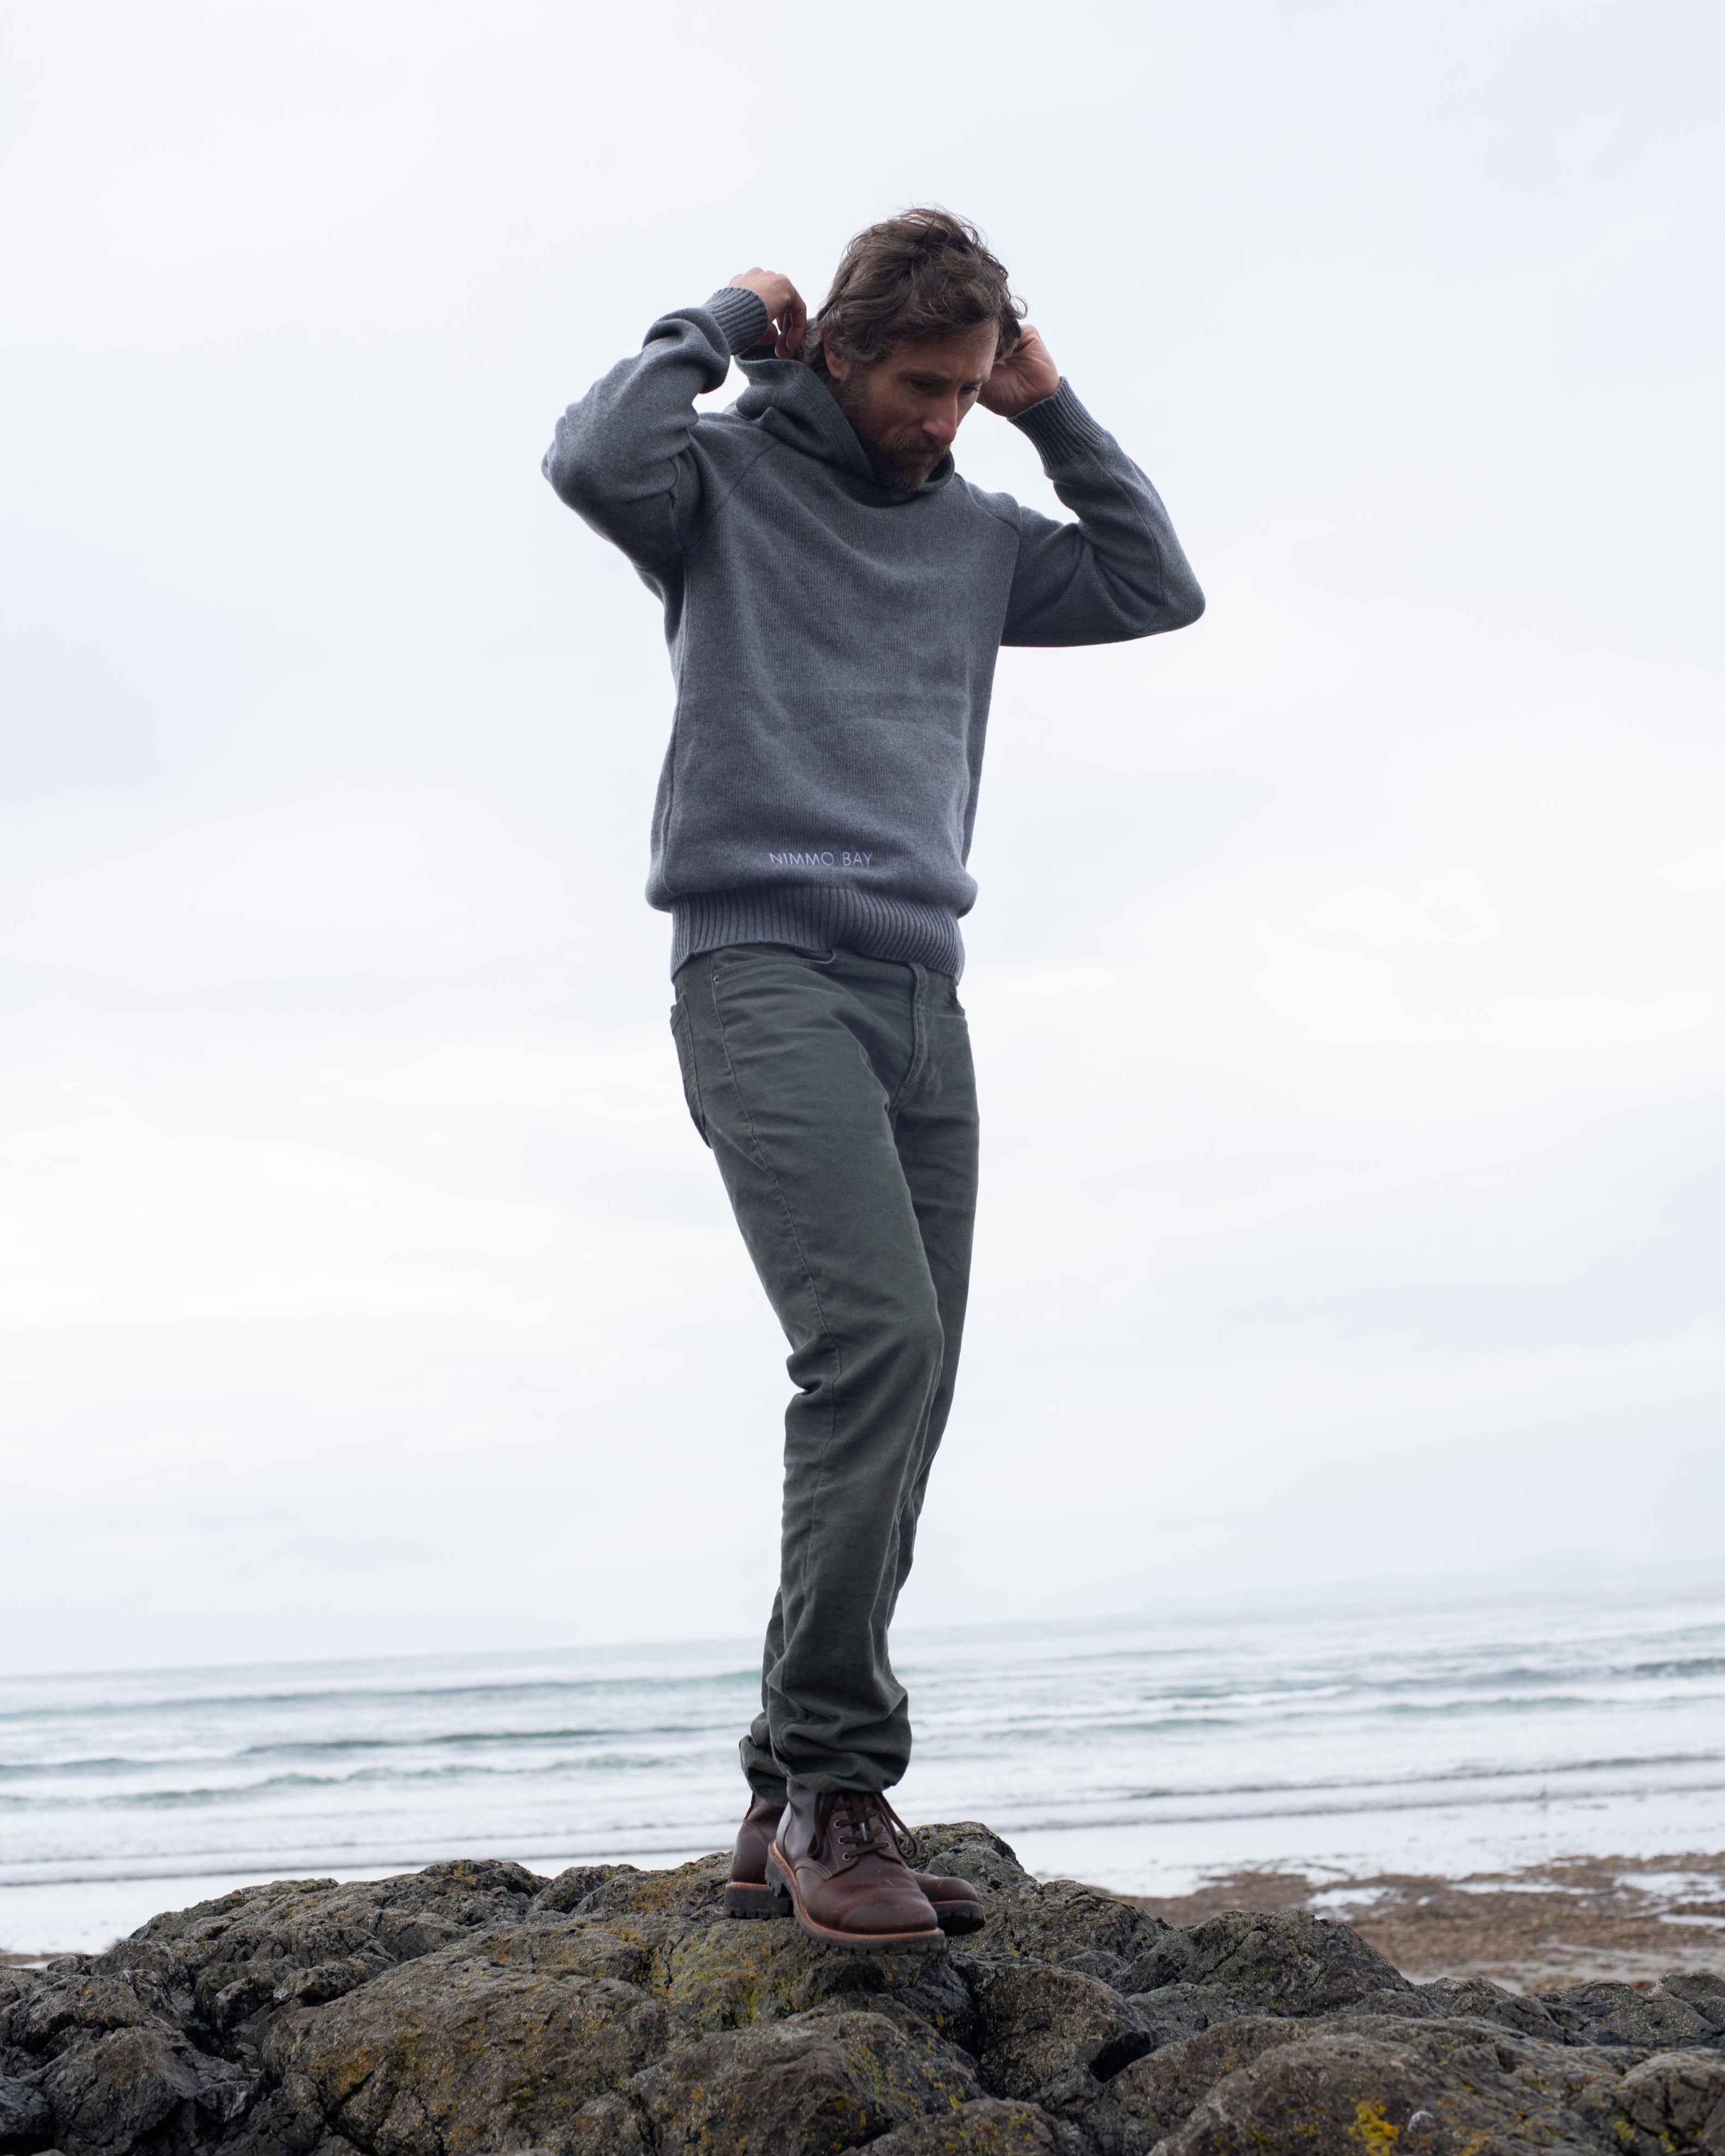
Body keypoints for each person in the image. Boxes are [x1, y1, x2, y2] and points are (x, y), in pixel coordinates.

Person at [543, 209, 1203, 1953]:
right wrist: (714, 318)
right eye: (923, 384)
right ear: (836, 353)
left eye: (970, 391)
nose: (944, 419)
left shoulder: (982, 534)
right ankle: (841, 1779)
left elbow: (1153, 584)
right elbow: (587, 452)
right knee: (874, 1347)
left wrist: (1053, 410)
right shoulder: (721, 488)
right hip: (757, 970)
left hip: (924, 995)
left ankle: (782, 1790)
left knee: (909, 1385)